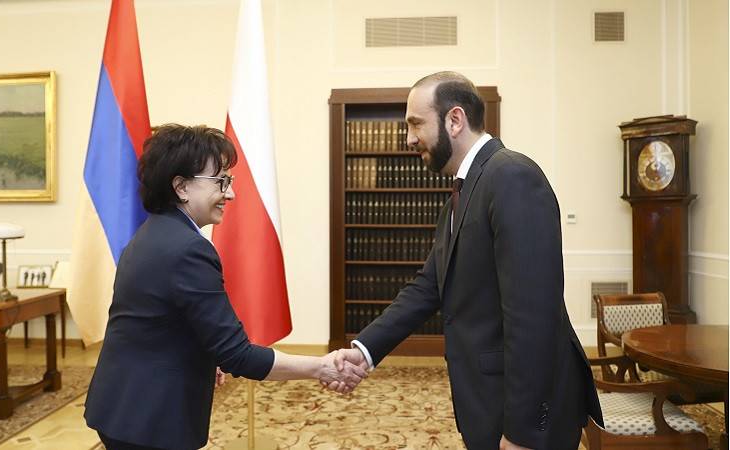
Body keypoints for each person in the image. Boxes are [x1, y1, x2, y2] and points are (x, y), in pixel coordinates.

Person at [334, 72, 603, 450]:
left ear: (454, 120)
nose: (409, 138)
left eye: (415, 124)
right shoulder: (461, 195)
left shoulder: (511, 176)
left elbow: (533, 318)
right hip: (489, 402)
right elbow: (428, 288)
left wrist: (523, 432)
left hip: (526, 417)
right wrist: (363, 351)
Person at [85, 124, 366, 450]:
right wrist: (322, 366)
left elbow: (159, 323)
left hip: (122, 405)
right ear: (182, 187)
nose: (230, 193)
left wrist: (205, 355)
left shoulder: (154, 234)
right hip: (150, 418)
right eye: (220, 181)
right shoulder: (187, 249)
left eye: (228, 181)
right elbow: (238, 355)